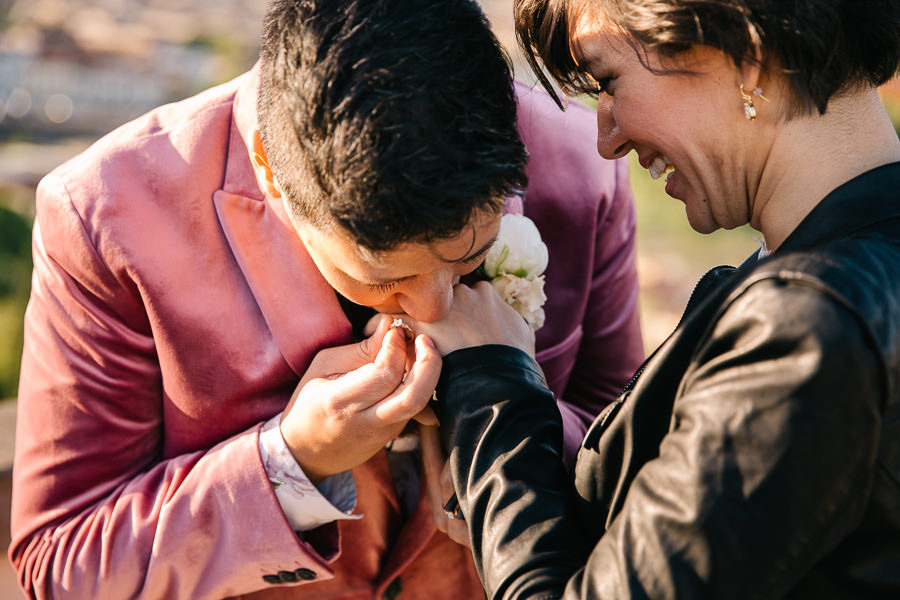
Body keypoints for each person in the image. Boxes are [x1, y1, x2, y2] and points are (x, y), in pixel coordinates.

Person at [8, 0, 644, 598]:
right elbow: (60, 562)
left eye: (466, 261)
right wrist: (292, 460)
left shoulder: (587, 171)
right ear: (270, 171)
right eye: (384, 276)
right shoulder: (105, 218)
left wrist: (512, 416)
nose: (431, 309)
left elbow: (640, 468)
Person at [408, 0, 900, 598]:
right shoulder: (835, 281)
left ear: (745, 53)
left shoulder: (807, 326)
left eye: (609, 81)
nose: (606, 139)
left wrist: (493, 384)